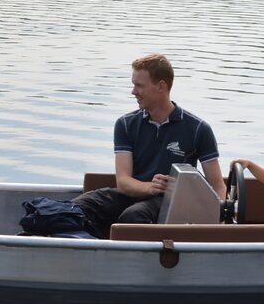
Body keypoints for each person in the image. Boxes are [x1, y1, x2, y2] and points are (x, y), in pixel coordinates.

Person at [73, 53, 225, 237]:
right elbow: (123, 182)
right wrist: (149, 187)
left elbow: (217, 186)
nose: (133, 92)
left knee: (134, 216)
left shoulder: (198, 129)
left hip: (169, 202)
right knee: (78, 207)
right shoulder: (125, 124)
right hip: (132, 194)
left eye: (139, 86)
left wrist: (217, 225)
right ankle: (86, 250)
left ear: (161, 86)